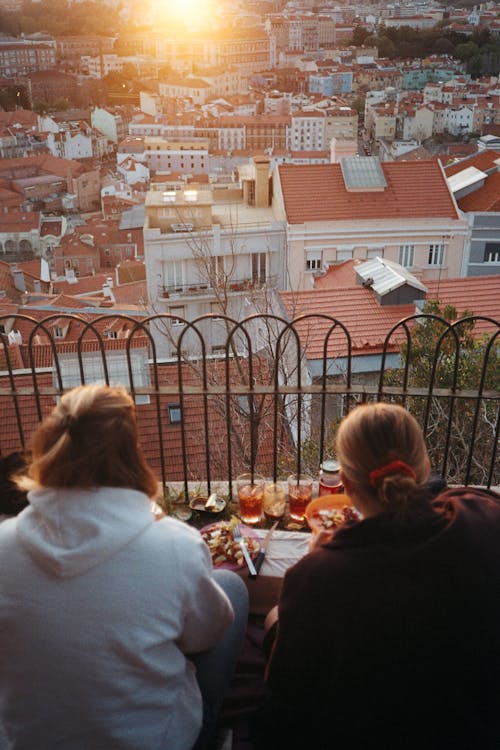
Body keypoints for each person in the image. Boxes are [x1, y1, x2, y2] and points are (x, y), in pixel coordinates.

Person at [0, 384, 248, 750]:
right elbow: (204, 637)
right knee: (232, 588)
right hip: (153, 740)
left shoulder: (4, 545)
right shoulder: (176, 546)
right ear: (131, 454)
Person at [255, 402, 500, 750]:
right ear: (425, 467)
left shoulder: (316, 578)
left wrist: (318, 564)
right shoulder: (484, 518)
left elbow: (286, 698)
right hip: (473, 730)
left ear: (345, 485)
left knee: (272, 618)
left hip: (361, 732)